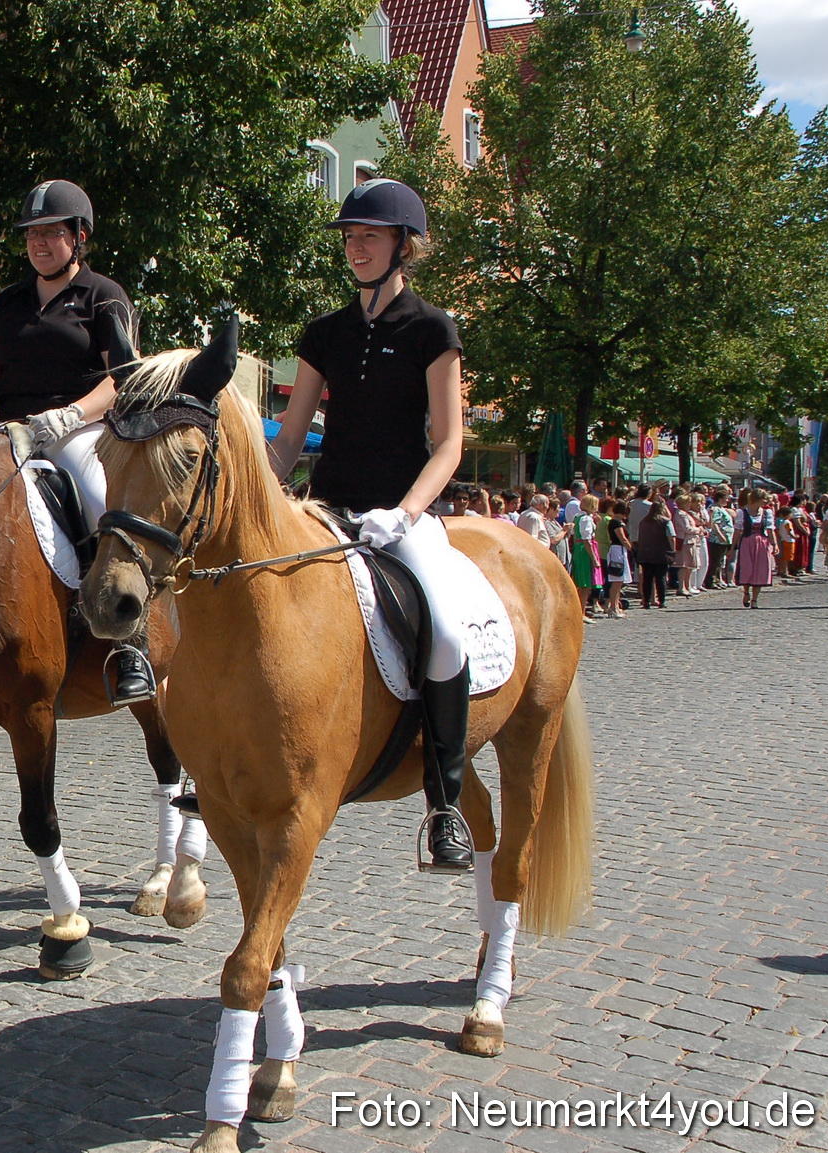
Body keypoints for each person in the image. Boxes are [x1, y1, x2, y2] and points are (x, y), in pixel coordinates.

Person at [270, 178, 475, 871]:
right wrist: (256, 483)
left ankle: (443, 803)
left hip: (400, 511)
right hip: (326, 508)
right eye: (351, 238)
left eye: (370, 236)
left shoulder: (432, 329)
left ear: (402, 246)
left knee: (444, 632)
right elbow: (290, 438)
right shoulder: (323, 332)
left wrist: (406, 511)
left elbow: (449, 443)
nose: (356, 247)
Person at [0, 180, 154, 704]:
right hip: (9, 432)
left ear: (79, 236)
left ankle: (132, 644)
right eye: (32, 235)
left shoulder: (104, 295)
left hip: (79, 429)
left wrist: (68, 416)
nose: (39, 243)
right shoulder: (9, 301)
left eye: (51, 233)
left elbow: (123, 379)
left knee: (101, 504)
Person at [736, 490, 775, 608]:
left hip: (762, 543)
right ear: (756, 499)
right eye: (764, 499)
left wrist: (774, 544)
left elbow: (770, 530)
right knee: (747, 568)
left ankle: (755, 599)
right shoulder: (742, 512)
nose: (766, 501)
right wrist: (732, 547)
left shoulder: (767, 512)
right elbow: (738, 530)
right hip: (747, 542)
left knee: (760, 570)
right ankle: (746, 592)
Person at [635, 499, 674, 608]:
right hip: (661, 553)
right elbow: (671, 537)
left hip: (646, 553)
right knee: (660, 577)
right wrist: (673, 550)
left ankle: (646, 601)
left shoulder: (643, 521)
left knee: (647, 578)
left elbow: (640, 536)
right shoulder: (666, 522)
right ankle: (662, 601)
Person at [570, 494, 601, 616]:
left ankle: (581, 611)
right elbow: (586, 539)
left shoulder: (578, 516)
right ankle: (581, 613)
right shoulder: (586, 519)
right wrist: (594, 558)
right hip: (584, 550)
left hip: (579, 548)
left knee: (583, 583)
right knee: (584, 583)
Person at [603, 500, 632, 618]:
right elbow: (622, 538)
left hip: (618, 550)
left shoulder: (615, 522)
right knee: (617, 580)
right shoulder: (616, 523)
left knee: (619, 582)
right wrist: (631, 549)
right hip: (617, 550)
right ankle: (613, 607)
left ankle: (615, 606)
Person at [705, 491, 735, 590]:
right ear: (720, 498)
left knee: (720, 561)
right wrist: (720, 535)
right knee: (715, 561)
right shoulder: (715, 509)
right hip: (717, 540)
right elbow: (715, 523)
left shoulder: (722, 509)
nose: (727, 500)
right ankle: (711, 581)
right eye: (726, 498)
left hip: (725, 539)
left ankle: (718, 579)